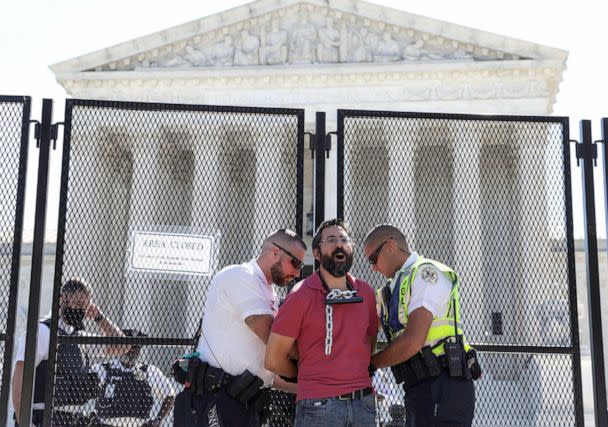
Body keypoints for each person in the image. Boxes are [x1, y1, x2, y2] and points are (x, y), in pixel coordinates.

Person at [173, 229, 305, 427]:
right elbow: (272, 340)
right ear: (275, 252)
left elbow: (267, 370)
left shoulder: (269, 294)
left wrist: (315, 384)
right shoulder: (241, 276)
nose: (297, 272)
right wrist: (312, 361)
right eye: (295, 263)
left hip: (245, 403)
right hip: (216, 400)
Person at [265, 219, 378, 427]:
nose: (339, 244)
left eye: (344, 239)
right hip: (319, 408)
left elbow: (368, 347)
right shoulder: (300, 296)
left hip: (363, 405)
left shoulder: (367, 294)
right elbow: (273, 359)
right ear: (317, 254)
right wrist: (311, 377)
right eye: (331, 240)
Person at [363, 224, 479, 427]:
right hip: (418, 385)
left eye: (373, 259)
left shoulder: (426, 273)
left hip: (443, 385)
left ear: (390, 246)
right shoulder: (392, 289)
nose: (373, 267)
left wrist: (369, 365)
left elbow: (413, 341)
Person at [11, 278, 126, 426]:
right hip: (44, 417)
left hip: (74, 420)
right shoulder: (43, 331)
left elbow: (123, 345)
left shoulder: (79, 338)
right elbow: (20, 373)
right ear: (62, 299)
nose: (81, 311)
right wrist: (23, 421)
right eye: (78, 304)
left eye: (84, 307)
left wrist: (99, 317)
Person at [91, 329, 176, 426]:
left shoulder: (149, 371)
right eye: (128, 346)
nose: (131, 350)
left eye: (135, 347)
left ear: (140, 349)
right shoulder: (103, 369)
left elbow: (170, 395)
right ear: (121, 347)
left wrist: (158, 420)